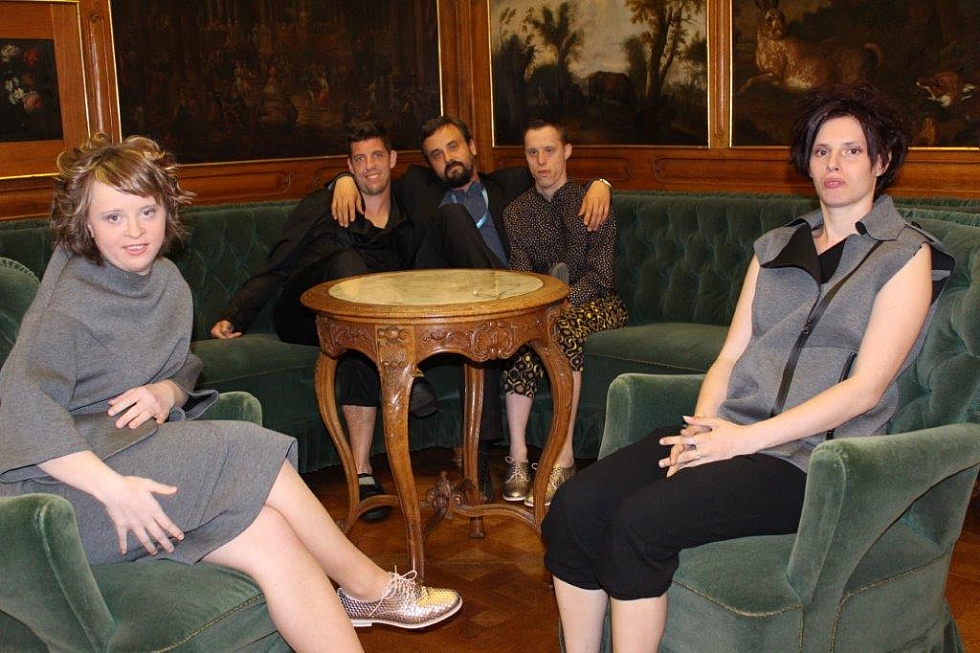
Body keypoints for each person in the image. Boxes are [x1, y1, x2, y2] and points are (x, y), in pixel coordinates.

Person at [0, 134, 461, 652]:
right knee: (246, 446)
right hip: (65, 498)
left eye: (147, 212)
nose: (134, 231)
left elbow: (182, 369)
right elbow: (19, 411)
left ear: (167, 210)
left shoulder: (166, 282)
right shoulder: (68, 302)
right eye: (113, 217)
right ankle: (368, 586)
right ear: (86, 223)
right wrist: (114, 489)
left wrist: (166, 392)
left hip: (134, 463)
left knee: (272, 536)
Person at [541, 83, 954, 652]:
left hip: (812, 462)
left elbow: (866, 389)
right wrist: (702, 430)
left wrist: (743, 441)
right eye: (821, 150)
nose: (833, 164)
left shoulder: (905, 256)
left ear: (881, 161)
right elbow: (731, 355)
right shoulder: (776, 247)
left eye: (852, 150)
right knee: (576, 506)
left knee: (640, 523)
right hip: (731, 432)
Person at [331, 115, 613, 499]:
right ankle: (481, 456)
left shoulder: (510, 184)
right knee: (455, 228)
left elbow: (556, 171)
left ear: (473, 146)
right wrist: (343, 179)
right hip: (442, 294)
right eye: (436, 155)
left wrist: (601, 185)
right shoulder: (417, 188)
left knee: (485, 324)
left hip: (495, 297)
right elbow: (370, 174)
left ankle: (481, 464)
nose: (447, 158)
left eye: (453, 147)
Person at [211, 121, 437, 521]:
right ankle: (407, 371)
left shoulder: (406, 216)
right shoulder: (324, 205)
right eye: (359, 159)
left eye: (377, 156)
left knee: (357, 332)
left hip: (355, 324)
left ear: (392, 159)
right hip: (301, 313)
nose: (369, 166)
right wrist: (235, 313)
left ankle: (362, 472)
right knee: (350, 277)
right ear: (350, 165)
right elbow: (278, 262)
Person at [501, 119, 628, 508]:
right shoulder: (516, 212)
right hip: (543, 307)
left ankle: (564, 455)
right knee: (522, 340)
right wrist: (541, 306)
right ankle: (518, 456)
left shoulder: (593, 200)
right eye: (532, 153)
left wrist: (567, 300)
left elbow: (601, 275)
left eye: (549, 150)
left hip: (598, 303)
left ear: (567, 151)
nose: (541, 161)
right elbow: (521, 275)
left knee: (562, 330)